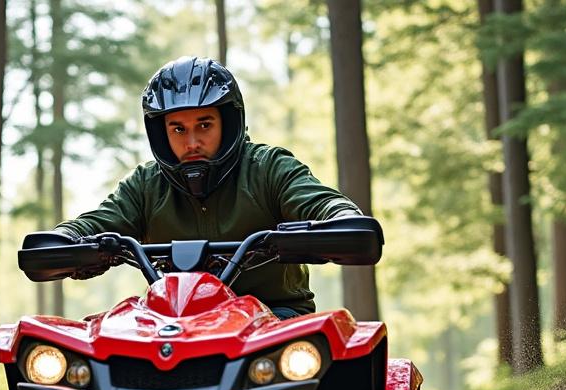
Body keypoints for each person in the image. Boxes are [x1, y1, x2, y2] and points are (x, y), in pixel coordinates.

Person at [49, 56, 362, 319]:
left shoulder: (268, 167)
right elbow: (98, 222)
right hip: (172, 324)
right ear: (162, 133)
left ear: (228, 122)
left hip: (276, 322)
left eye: (204, 124)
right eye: (178, 129)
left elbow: (317, 200)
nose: (192, 142)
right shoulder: (145, 185)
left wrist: (341, 217)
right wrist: (64, 239)